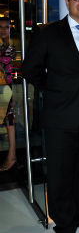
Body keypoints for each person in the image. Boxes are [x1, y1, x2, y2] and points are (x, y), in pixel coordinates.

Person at [22, 0, 79, 233]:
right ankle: (64, 220)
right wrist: (55, 89)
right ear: (68, 2)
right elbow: (30, 70)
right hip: (59, 114)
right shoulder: (48, 32)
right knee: (60, 171)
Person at [0, 17, 16, 172]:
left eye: (6, 27)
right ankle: (11, 155)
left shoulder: (10, 47)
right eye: (1, 27)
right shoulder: (2, 46)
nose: (3, 30)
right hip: (3, 87)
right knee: (7, 121)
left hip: (5, 88)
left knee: (9, 121)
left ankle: (12, 155)